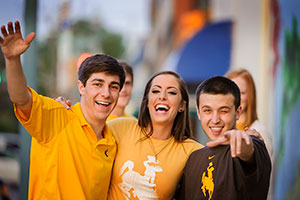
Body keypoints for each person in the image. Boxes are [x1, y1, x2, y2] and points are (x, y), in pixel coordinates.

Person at [0, 21, 125, 199]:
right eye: (98, 84)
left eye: (113, 86)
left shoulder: (112, 142)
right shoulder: (57, 117)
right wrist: (12, 60)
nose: (106, 93)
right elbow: (20, 98)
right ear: (81, 88)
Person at [107, 71, 203, 199]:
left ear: (182, 106)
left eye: (172, 92)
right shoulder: (121, 127)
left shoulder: (192, 151)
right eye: (156, 91)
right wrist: (70, 113)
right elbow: (84, 134)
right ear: (147, 101)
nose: (162, 96)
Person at [175, 76, 271, 200]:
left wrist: (244, 141)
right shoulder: (193, 158)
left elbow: (249, 151)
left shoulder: (252, 145)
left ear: (237, 113)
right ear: (198, 113)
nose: (215, 120)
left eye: (223, 111)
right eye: (207, 110)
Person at [226, 69, 273, 156]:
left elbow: (264, 168)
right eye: (231, 92)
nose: (236, 98)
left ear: (250, 96)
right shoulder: (221, 129)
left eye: (242, 93)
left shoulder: (259, 132)